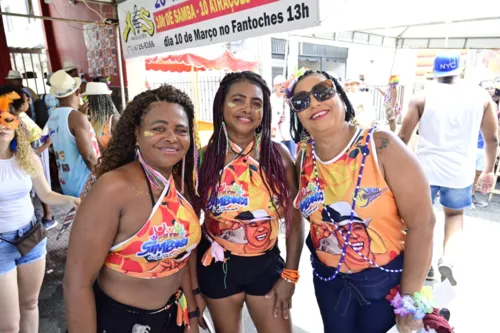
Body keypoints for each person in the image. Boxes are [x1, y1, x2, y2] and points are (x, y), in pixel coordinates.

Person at [286, 70, 435, 333]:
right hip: (329, 283)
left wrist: (410, 300)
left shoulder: (381, 146)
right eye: (301, 101)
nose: (314, 103)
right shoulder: (303, 158)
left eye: (322, 92)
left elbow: (422, 224)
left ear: (340, 96)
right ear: (296, 113)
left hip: (384, 285)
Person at [64, 85, 202, 332]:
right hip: (120, 322)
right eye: (158, 128)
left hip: (173, 317)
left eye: (181, 130)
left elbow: (181, 257)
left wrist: (190, 313)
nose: (171, 137)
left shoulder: (182, 185)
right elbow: (77, 284)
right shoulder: (112, 189)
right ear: (137, 134)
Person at [197, 72, 304, 333]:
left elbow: (294, 219)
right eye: (237, 100)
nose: (247, 108)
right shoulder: (203, 158)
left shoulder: (278, 155)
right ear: (221, 105)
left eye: (256, 103)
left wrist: (290, 275)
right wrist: (192, 288)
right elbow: (188, 222)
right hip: (217, 268)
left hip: (266, 266)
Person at [399, 53, 499, 285]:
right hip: (460, 170)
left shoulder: (421, 97)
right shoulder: (481, 96)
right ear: (459, 69)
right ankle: (448, 258)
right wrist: (488, 170)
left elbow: (402, 138)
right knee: (454, 215)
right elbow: (492, 138)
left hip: (424, 170)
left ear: (435, 72)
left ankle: (426, 265)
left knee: (421, 220)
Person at [0, 92, 79, 333]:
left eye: (8, 120)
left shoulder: (26, 159)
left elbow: (45, 195)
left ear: (17, 124)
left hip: (31, 237)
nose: (3, 126)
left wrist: (72, 200)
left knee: (30, 305)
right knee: (9, 324)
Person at [6, 86, 56, 229]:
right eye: (27, 99)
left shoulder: (21, 118)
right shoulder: (18, 121)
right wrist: (46, 145)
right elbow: (25, 150)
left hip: (34, 150)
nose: (29, 102)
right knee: (41, 180)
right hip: (36, 150)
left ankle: (46, 216)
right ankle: (47, 216)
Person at [46, 70, 100, 197]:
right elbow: (88, 156)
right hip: (84, 182)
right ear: (77, 92)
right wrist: (102, 177)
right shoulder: (76, 117)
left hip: (67, 180)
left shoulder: (53, 116)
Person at [82, 82, 120, 150]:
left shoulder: (114, 120)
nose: (89, 102)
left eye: (91, 99)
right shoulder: (91, 119)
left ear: (99, 101)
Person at [271, 75, 296, 158]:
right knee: (279, 160)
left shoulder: (288, 99)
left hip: (289, 135)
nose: (282, 86)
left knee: (292, 158)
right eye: (280, 84)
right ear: (275, 86)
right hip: (276, 136)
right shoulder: (270, 99)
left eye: (284, 84)